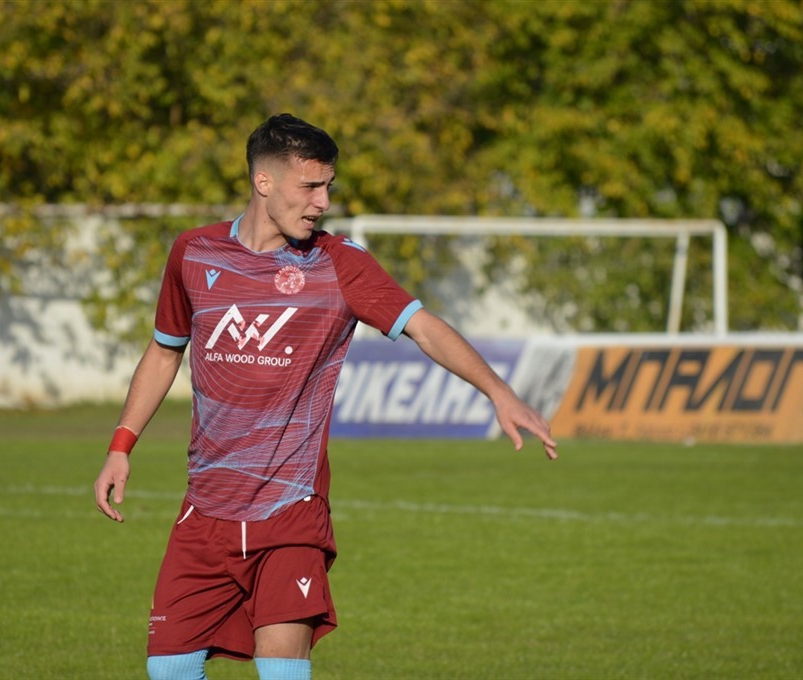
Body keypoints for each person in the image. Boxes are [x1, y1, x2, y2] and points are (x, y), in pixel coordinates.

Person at [93, 113, 558, 680]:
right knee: (168, 671)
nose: (323, 202)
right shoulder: (193, 253)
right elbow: (165, 351)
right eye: (310, 186)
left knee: (281, 672)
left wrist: (499, 392)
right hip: (205, 511)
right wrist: (121, 447)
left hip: (291, 512)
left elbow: (424, 327)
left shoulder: (340, 263)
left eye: (328, 186)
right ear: (264, 182)